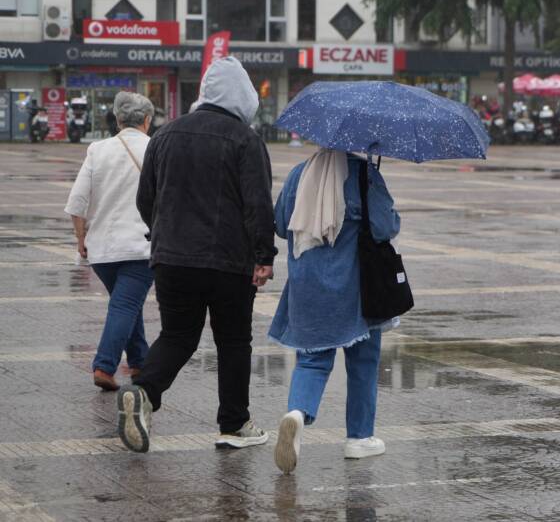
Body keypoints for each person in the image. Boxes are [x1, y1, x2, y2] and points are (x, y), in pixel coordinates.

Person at [116, 57, 277, 454]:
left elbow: (145, 199)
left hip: (171, 258)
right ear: (243, 96)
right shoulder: (245, 139)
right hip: (228, 261)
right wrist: (264, 254)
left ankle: (144, 392)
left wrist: (164, 236)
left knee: (178, 335)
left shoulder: (165, 135)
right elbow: (257, 204)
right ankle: (233, 424)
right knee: (234, 340)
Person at [269, 149, 402, 474]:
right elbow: (386, 227)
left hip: (308, 284)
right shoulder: (362, 174)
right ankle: (359, 438)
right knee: (363, 361)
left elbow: (280, 224)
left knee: (312, 360)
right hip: (357, 285)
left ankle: (297, 414)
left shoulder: (300, 173)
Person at [65, 92, 155, 392]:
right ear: (147, 120)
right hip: (142, 246)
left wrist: (81, 238)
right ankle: (104, 365)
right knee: (126, 304)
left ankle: (141, 362)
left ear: (117, 120)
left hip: (102, 250)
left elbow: (77, 201)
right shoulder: (156, 148)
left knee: (126, 303)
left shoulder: (98, 149)